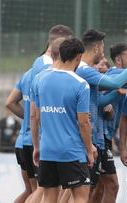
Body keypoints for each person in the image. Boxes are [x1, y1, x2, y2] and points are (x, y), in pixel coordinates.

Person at [75, 29, 127, 203]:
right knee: (79, 192)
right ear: (97, 47)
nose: (103, 52)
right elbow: (115, 82)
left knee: (96, 188)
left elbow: (98, 101)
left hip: (95, 138)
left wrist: (117, 93)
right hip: (88, 139)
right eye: (102, 47)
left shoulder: (86, 71)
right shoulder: (85, 70)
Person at [32, 38, 95, 203]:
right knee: (80, 197)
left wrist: (38, 147)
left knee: (49, 199)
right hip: (71, 152)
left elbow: (38, 117)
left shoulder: (39, 79)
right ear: (78, 58)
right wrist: (89, 149)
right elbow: (83, 123)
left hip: (47, 150)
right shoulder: (81, 84)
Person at [27, 25, 73, 203]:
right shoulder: (47, 68)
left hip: (42, 138)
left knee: (43, 190)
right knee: (43, 191)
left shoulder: (37, 64)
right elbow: (34, 113)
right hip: (46, 138)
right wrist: (37, 143)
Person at [6, 70, 34, 203]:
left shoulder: (27, 75)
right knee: (40, 191)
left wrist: (28, 118)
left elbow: (10, 102)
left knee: (30, 191)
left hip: (21, 143)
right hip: (34, 143)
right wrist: (31, 119)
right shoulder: (47, 74)